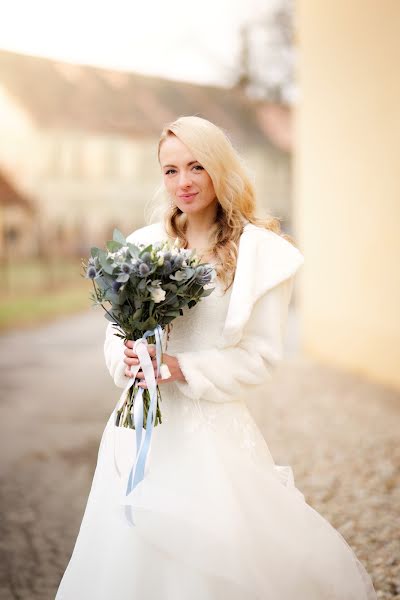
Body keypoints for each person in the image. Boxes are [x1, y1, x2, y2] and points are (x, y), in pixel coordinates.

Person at [55, 116, 377, 599]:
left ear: (220, 168)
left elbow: (262, 357)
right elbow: (114, 336)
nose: (182, 182)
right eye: (170, 170)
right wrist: (127, 354)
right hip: (138, 432)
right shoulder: (142, 246)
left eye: (196, 167)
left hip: (212, 435)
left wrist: (186, 367)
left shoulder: (261, 255)